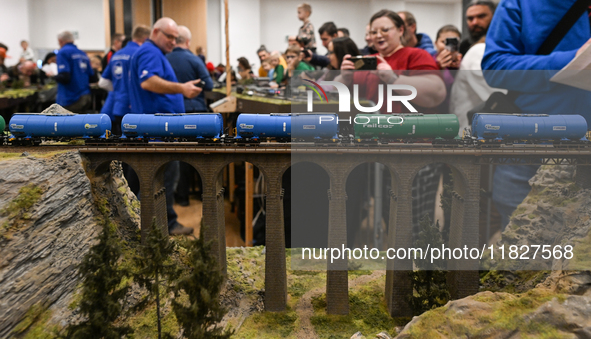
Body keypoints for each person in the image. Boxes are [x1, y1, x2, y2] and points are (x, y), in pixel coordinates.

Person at [482, 0, 591, 229]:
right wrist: (569, 60)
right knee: (521, 248)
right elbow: (495, 66)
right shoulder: (519, 4)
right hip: (531, 146)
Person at [129, 17, 202, 236]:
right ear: (155, 32)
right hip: (157, 129)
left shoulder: (154, 53)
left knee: (161, 178)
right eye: (168, 36)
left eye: (175, 37)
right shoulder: (150, 52)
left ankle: (161, 225)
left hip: (157, 127)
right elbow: (148, 82)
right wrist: (182, 88)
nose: (172, 41)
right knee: (160, 179)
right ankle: (153, 231)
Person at [341, 9, 445, 113]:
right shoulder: (366, 60)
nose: (378, 35)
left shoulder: (417, 55)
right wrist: (345, 79)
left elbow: (436, 93)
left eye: (385, 30)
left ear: (400, 30)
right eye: (373, 32)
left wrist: (393, 79)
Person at [99, 25, 150, 133]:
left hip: (118, 107)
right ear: (145, 38)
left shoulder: (116, 54)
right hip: (134, 108)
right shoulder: (140, 53)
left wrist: (118, 90)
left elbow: (103, 82)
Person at [166, 25, 213, 112]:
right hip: (194, 108)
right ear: (187, 42)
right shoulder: (195, 60)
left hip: (170, 108)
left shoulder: (164, 59)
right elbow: (209, 85)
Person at [55, 31, 97, 112]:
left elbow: (65, 77)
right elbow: (92, 76)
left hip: (70, 98)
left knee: (66, 124)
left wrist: (52, 77)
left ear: (60, 41)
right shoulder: (83, 54)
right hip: (85, 96)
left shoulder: (63, 52)